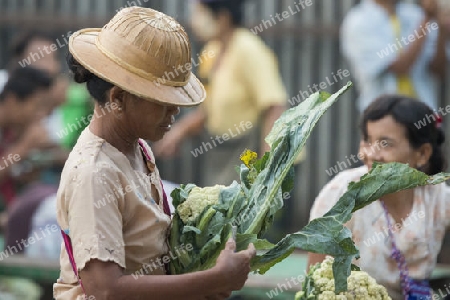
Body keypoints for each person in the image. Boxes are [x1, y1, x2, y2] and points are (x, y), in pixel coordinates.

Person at [54, 7, 256, 300]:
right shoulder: (94, 173)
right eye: (162, 101)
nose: (175, 110)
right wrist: (214, 279)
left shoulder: (138, 148)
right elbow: (106, 289)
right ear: (118, 99)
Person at [307, 95, 450, 299]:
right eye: (367, 140)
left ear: (422, 154)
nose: (370, 153)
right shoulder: (341, 193)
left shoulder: (437, 198)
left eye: (385, 144)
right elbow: (314, 279)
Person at [154, 0, 287, 186]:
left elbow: (275, 107)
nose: (194, 21)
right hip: (228, 154)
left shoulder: (248, 49)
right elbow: (209, 111)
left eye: (201, 13)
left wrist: (267, 169)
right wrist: (178, 133)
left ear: (223, 17)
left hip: (256, 156)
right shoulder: (212, 52)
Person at [341, 0, 448, 112]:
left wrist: (442, 30)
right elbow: (400, 68)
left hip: (424, 111)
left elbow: (438, 70)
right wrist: (426, 20)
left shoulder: (414, 14)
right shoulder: (358, 22)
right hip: (382, 116)